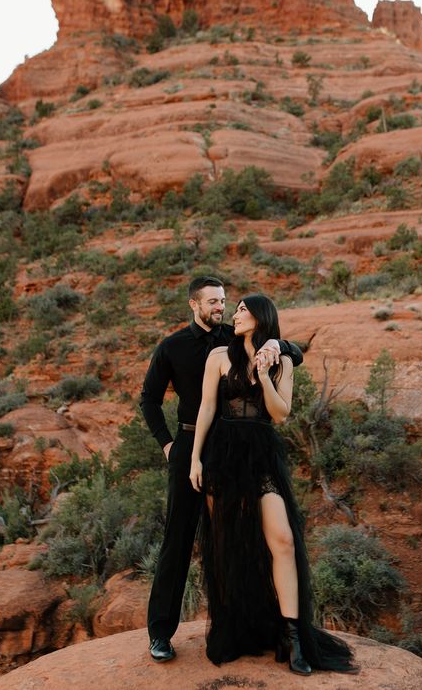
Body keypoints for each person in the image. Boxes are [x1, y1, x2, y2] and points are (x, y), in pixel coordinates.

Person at [189, 294, 356, 675]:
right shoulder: (218, 357)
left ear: (262, 317)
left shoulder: (280, 359)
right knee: (225, 544)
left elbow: (281, 414)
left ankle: (294, 638)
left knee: (281, 540)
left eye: (244, 310)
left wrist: (265, 375)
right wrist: (195, 457)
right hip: (223, 454)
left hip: (261, 454)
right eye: (236, 310)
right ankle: (231, 630)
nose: (236, 314)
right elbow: (208, 408)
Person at [140, 277, 303, 663]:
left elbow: (292, 353)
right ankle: (160, 633)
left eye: (224, 301)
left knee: (237, 540)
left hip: (239, 449)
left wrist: (280, 345)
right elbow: (148, 400)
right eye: (213, 301)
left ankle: (250, 627)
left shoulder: (236, 337)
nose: (221, 307)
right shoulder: (172, 346)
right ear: (194, 304)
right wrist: (168, 445)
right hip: (192, 443)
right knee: (178, 539)